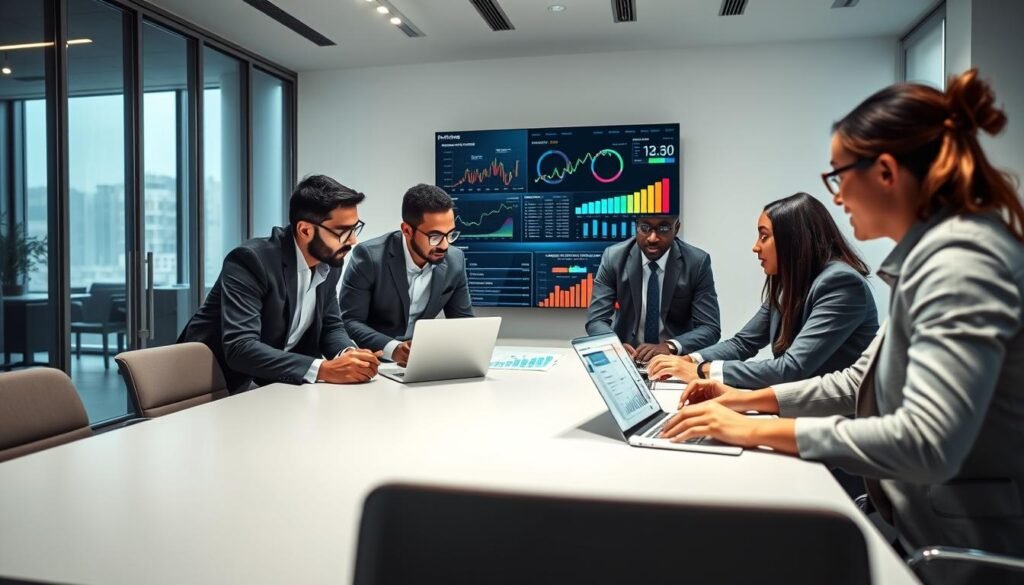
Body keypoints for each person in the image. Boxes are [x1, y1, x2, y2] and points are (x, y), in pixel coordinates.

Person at [660, 70, 1024, 584]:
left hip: (965, 550)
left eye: (838, 175)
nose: (836, 197)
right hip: (923, 527)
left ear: (885, 172)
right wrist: (741, 401)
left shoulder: (961, 263)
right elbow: (857, 382)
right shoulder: (936, 257)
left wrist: (757, 428)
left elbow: (926, 440)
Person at [647, 193, 878, 388]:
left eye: (764, 236)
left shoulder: (841, 283)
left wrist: (701, 370)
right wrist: (686, 360)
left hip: (839, 423)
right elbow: (743, 343)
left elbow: (792, 368)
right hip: (798, 411)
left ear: (793, 240)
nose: (755, 247)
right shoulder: (788, 286)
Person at [178, 175, 381, 391]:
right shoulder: (251, 261)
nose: (352, 240)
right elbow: (240, 347)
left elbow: (330, 326)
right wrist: (323, 369)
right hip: (207, 388)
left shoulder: (329, 264)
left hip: (267, 387)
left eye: (354, 228)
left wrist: (348, 354)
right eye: (342, 232)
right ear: (305, 230)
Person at [340, 184, 473, 366]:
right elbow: (349, 321)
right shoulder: (369, 257)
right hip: (376, 363)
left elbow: (463, 324)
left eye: (450, 234)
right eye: (435, 236)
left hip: (423, 361)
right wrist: (394, 349)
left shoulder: (455, 260)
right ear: (407, 230)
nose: (444, 245)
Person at [585, 214, 721, 364]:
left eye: (663, 228)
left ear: (676, 229)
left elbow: (710, 328)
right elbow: (596, 320)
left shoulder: (696, 263)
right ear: (636, 226)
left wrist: (670, 346)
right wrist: (614, 346)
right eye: (645, 228)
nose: (652, 238)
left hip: (675, 360)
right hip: (627, 358)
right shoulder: (614, 258)